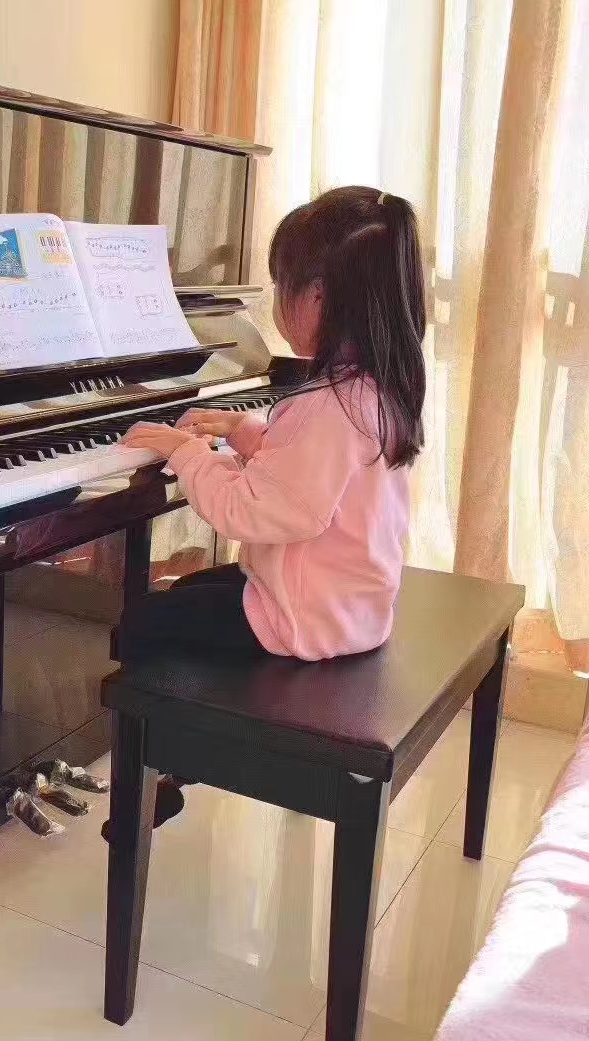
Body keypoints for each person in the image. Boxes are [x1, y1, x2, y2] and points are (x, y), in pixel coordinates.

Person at [113, 185, 426, 829]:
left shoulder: (327, 407)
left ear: (317, 298)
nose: (277, 303)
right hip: (348, 606)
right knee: (191, 590)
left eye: (281, 286)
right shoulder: (374, 389)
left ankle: (167, 761)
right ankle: (178, 744)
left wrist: (187, 452)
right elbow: (309, 471)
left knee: (143, 622)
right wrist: (241, 430)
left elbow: (250, 513)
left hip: (301, 621)